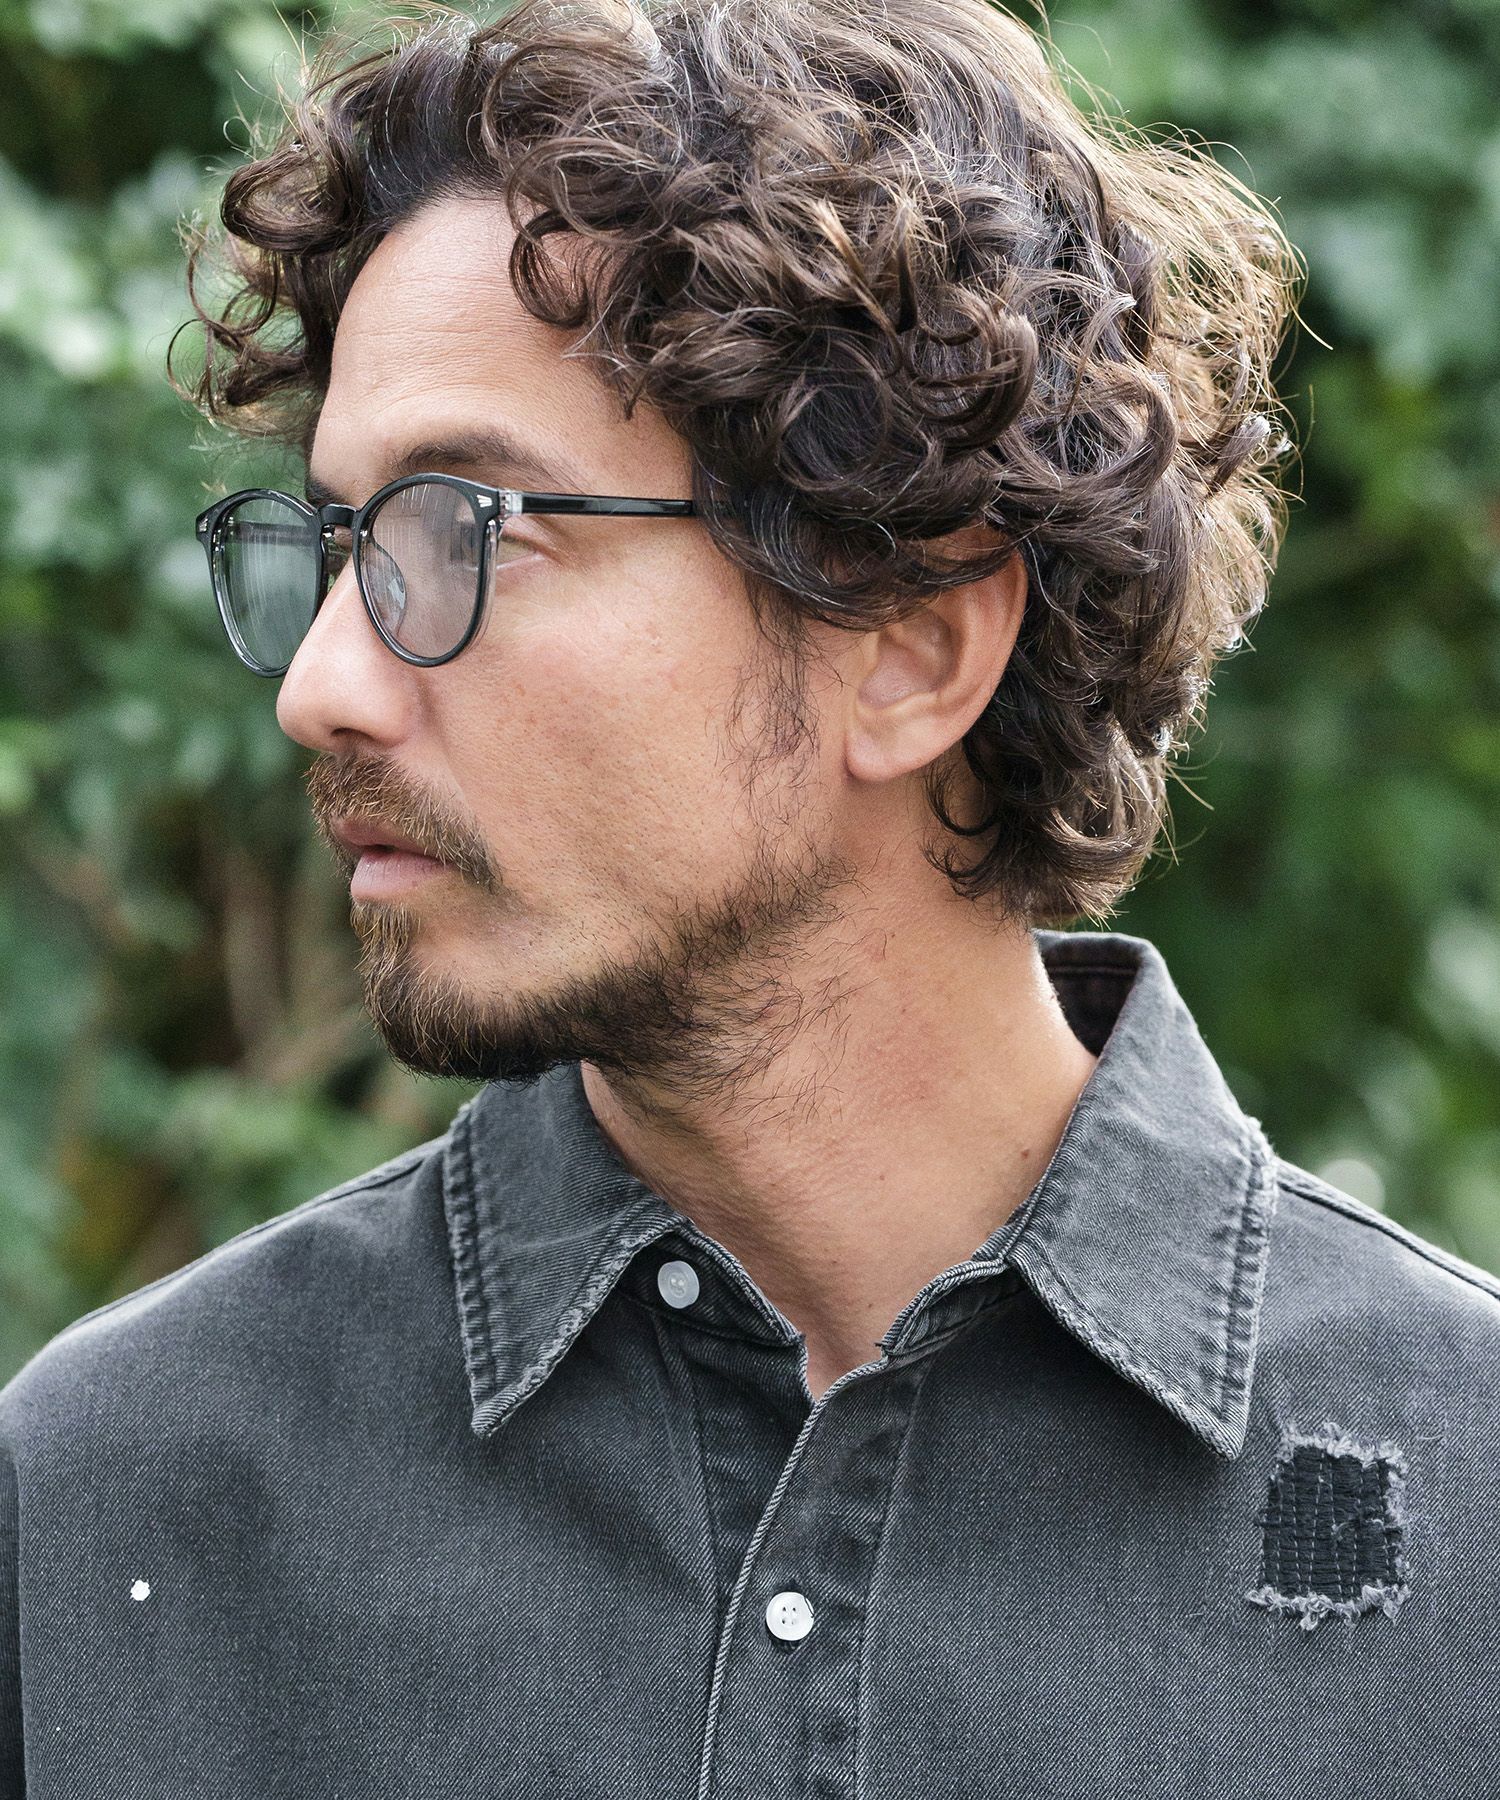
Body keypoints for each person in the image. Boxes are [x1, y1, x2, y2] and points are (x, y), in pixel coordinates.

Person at [3, 0, 1497, 1792]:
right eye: (338, 546)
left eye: (464, 529)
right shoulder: (113, 1510)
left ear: (914, 645)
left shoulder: (1465, 1517)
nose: (322, 684)